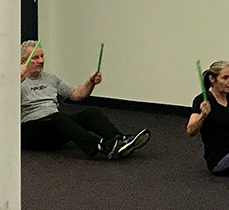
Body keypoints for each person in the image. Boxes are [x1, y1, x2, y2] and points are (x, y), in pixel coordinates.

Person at [14, 41, 148, 160]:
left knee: (90, 114)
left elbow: (78, 94)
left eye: (42, 56)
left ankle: (121, 141)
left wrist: (91, 82)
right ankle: (100, 147)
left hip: (54, 127)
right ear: (22, 61)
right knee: (58, 118)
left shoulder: (50, 78)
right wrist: (15, 82)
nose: (41, 60)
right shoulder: (14, 80)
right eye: (35, 58)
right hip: (30, 132)